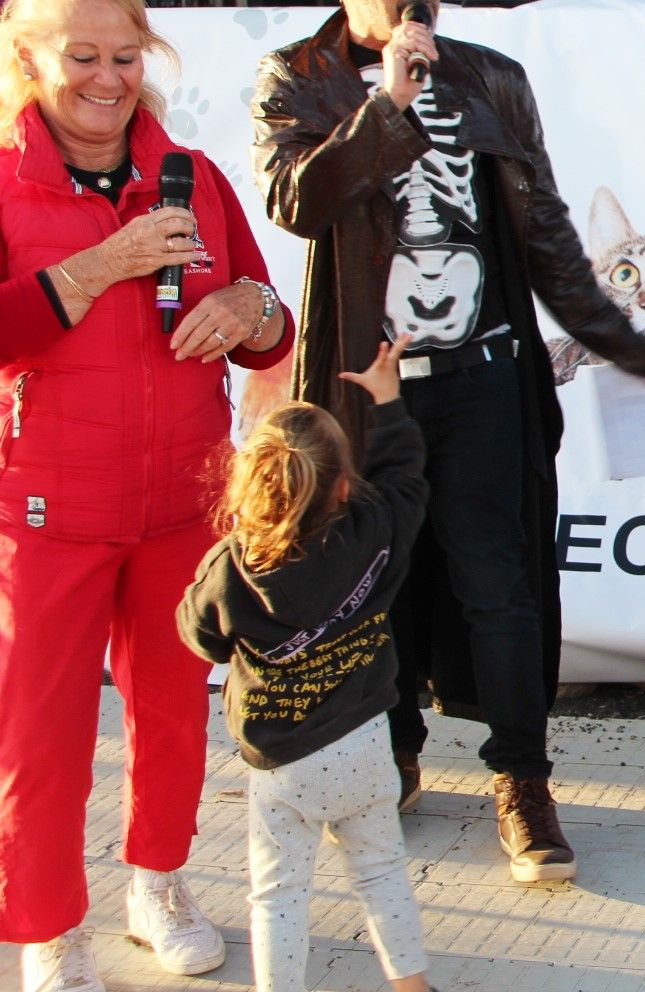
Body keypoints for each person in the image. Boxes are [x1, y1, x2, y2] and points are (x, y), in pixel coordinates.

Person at [251, 0, 645, 885]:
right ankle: (390, 751)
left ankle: (522, 776)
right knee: (370, 579)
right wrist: (386, 102)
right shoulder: (299, 78)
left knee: (502, 583)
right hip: (368, 385)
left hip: (482, 373)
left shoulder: (491, 78)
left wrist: (617, 337)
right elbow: (297, 202)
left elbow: (547, 228)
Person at [0, 0, 292, 988]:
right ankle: (46, 926)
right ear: (30, 60)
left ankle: (158, 881)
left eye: (126, 54)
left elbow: (269, 322)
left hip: (182, 499)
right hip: (46, 508)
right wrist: (93, 266)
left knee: (173, 711)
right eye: (81, 53)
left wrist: (246, 309)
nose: (107, 77)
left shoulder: (192, 177)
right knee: (43, 736)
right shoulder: (3, 181)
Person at [178, 339, 435, 992]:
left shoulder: (230, 567)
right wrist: (388, 399)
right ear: (344, 485)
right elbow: (407, 476)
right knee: (380, 870)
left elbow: (198, 636)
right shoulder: (374, 527)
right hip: (366, 747)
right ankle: (410, 984)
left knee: (278, 891)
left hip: (282, 762)